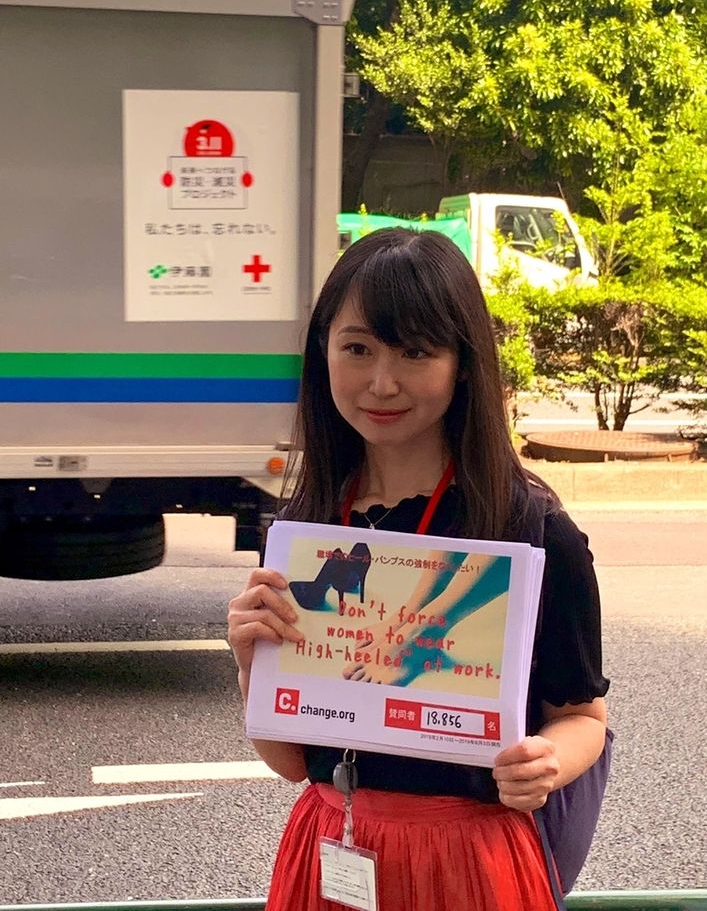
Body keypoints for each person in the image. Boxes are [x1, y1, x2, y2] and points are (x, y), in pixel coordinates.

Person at [227, 228, 609, 911]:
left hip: (472, 861)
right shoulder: (305, 529)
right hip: (329, 845)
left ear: (463, 362)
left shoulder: (530, 528)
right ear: (323, 354)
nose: (382, 381)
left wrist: (549, 763)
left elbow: (583, 716)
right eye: (358, 349)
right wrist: (251, 663)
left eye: (415, 352)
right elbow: (291, 763)